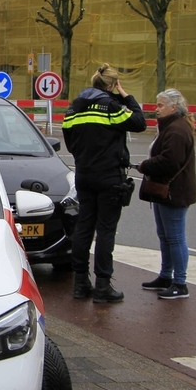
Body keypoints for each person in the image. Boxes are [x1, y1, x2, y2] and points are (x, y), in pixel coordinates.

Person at [62, 63, 147, 303]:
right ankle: (102, 286)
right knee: (106, 230)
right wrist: (126, 95)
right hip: (109, 175)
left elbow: (70, 140)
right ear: (111, 85)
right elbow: (140, 123)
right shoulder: (111, 107)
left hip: (84, 174)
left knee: (83, 227)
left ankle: (80, 283)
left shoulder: (75, 108)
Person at [135, 89, 196, 300]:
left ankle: (180, 282)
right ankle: (165, 275)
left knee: (175, 237)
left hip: (174, 192)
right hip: (166, 191)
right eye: (157, 104)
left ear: (173, 107)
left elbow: (171, 161)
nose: (156, 109)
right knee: (165, 236)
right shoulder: (171, 127)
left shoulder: (177, 130)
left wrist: (144, 166)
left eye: (160, 105)